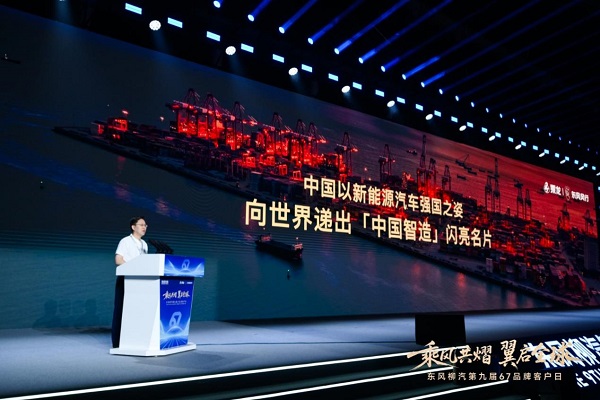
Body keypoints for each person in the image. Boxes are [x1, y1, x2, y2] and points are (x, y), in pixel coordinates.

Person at [111, 216, 148, 348]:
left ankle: (134, 340)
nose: (144, 227)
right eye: (141, 225)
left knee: (137, 312)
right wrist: (133, 269)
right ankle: (117, 343)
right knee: (121, 310)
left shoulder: (144, 244)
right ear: (133, 227)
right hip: (126, 279)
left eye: (145, 225)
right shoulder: (125, 241)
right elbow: (118, 260)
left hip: (140, 281)